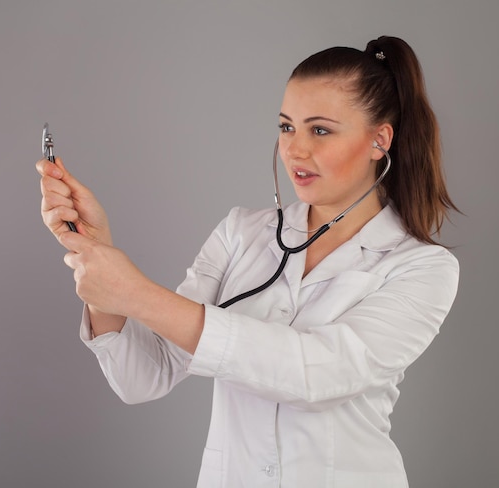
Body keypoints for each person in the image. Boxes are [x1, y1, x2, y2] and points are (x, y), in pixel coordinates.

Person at [37, 35, 459, 488]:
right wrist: (98, 255)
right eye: (286, 127)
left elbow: (316, 373)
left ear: (380, 140)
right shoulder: (241, 233)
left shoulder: (421, 268)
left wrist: (135, 291)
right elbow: (146, 376)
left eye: (320, 130)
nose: (295, 150)